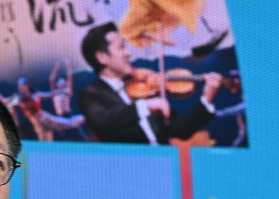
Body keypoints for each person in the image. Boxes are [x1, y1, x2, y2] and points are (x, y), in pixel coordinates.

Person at [76, 22, 219, 145]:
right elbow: (103, 121)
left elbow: (181, 130)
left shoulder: (143, 87)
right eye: (121, 48)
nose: (128, 53)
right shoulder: (91, 93)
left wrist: (207, 99)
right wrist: (145, 106)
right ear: (102, 58)